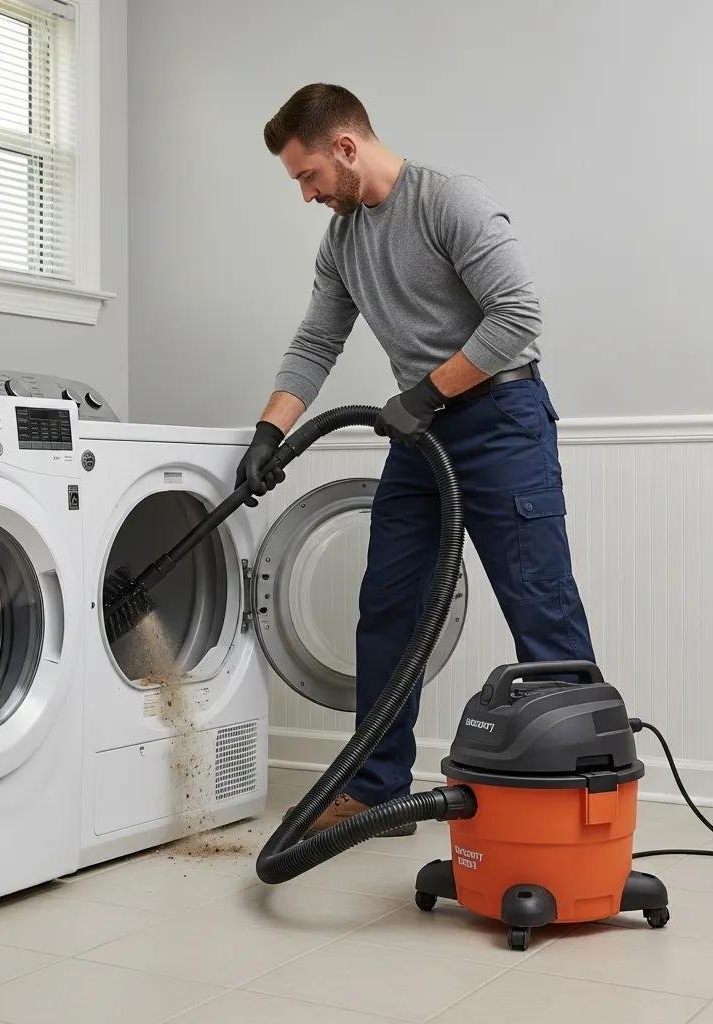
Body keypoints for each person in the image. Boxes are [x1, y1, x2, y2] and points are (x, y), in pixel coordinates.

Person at [236, 83, 594, 836]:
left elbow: (518, 315)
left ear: (345, 147)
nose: (306, 195)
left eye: (308, 176)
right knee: (389, 606)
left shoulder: (448, 201)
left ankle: (582, 792)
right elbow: (316, 342)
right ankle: (376, 790)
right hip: (423, 431)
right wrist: (269, 431)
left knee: (538, 603)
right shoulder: (342, 242)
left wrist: (427, 392)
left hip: (500, 420)